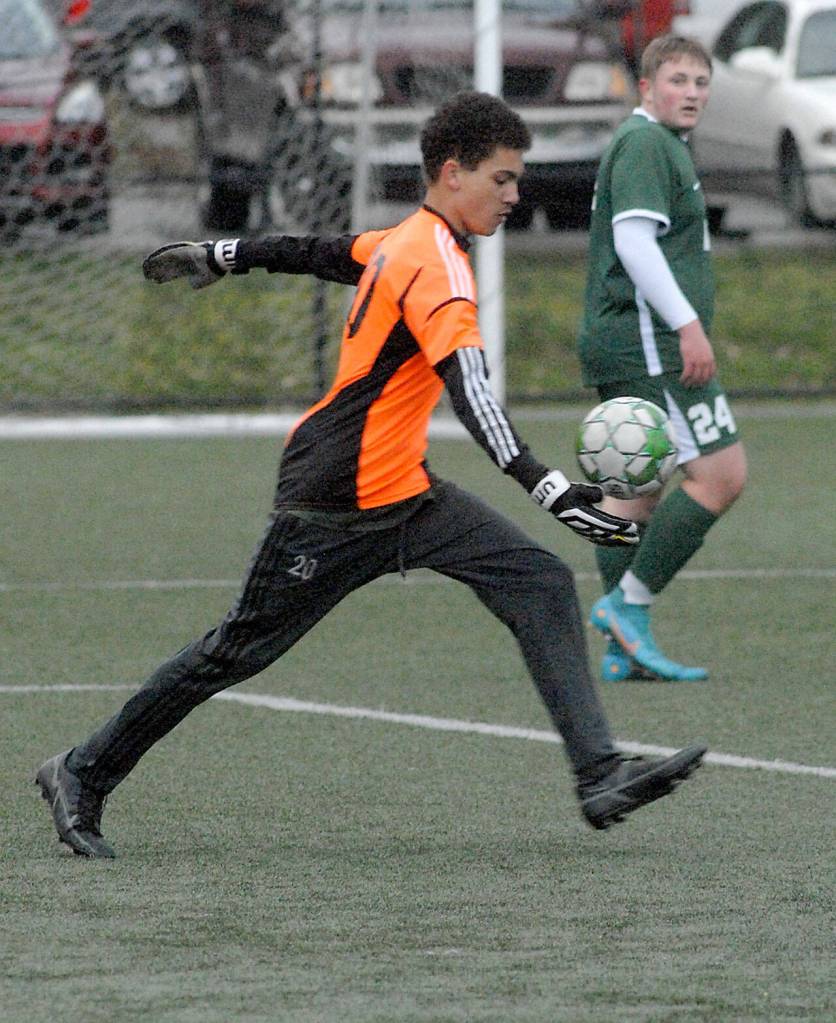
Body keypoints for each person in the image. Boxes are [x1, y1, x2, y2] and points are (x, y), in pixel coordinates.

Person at [35, 92, 706, 859]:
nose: (516, 196)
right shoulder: (439, 267)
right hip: (331, 501)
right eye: (504, 179)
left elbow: (319, 250)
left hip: (403, 494)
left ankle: (598, 774)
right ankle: (80, 771)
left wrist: (227, 254)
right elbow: (474, 396)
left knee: (539, 581)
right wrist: (549, 486)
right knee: (232, 651)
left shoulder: (404, 240)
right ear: (453, 174)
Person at [577, 36, 747, 683]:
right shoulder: (647, 142)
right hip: (648, 340)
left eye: (701, 82)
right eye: (678, 80)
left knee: (635, 493)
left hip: (625, 338)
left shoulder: (655, 143)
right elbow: (634, 241)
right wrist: (687, 324)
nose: (693, 93)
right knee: (721, 473)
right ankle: (629, 608)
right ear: (647, 86)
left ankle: (623, 646)